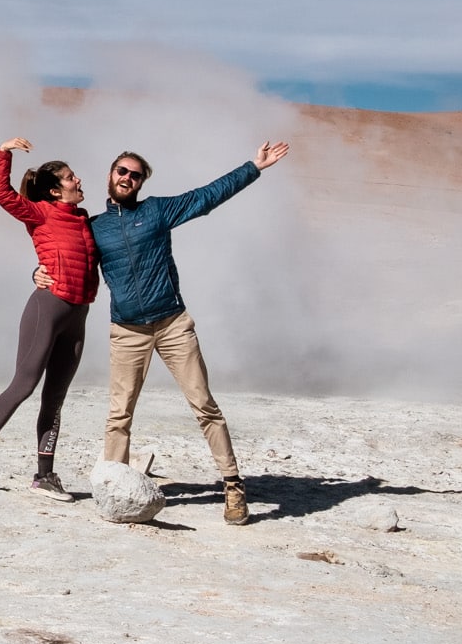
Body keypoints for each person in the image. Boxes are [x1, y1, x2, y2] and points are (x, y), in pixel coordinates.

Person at [41, 141, 290, 525]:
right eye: (121, 171)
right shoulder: (94, 228)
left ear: (141, 182)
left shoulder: (156, 211)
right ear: (110, 174)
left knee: (204, 405)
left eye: (135, 174)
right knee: (119, 414)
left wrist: (253, 167)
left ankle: (233, 486)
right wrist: (39, 274)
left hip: (172, 324)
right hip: (127, 331)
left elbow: (206, 196)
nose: (127, 177)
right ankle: (114, 487)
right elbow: (65, 259)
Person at [0, 138, 98, 501]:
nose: (78, 180)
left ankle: (44, 475)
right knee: (24, 385)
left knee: (55, 398)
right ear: (56, 190)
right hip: (48, 307)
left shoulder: (85, 220)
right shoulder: (41, 212)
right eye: (71, 178)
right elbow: (2, 194)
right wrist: (3, 152)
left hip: (79, 313)